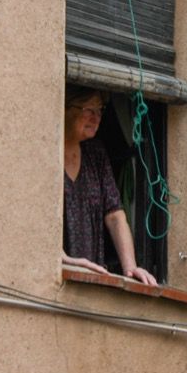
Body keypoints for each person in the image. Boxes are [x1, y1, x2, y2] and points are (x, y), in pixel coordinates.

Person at [62, 86, 159, 285]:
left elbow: (115, 215)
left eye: (99, 110)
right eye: (88, 110)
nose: (96, 118)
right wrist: (57, 258)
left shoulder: (95, 154)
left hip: (92, 279)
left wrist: (130, 268)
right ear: (64, 107)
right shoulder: (46, 149)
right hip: (57, 277)